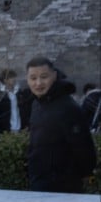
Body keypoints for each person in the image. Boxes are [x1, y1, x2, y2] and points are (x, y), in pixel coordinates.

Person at [25, 56, 97, 192]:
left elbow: (84, 146)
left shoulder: (68, 107)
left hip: (63, 185)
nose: (38, 83)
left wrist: (86, 174)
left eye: (44, 77)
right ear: (27, 80)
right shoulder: (36, 104)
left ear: (54, 75)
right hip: (39, 181)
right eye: (33, 78)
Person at [0, 68, 25, 133]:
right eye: (11, 77)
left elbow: (26, 110)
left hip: (21, 129)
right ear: (5, 80)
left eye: (14, 77)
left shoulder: (20, 93)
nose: (14, 79)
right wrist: (2, 124)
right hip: (6, 131)